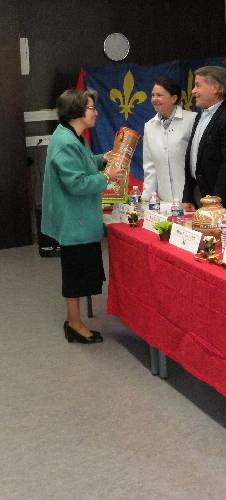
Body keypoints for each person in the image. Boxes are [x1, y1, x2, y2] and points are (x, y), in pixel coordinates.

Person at [41, 89, 124, 344]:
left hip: (78, 218)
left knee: (78, 271)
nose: (96, 112)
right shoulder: (66, 142)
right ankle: (74, 324)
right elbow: (76, 183)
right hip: (73, 220)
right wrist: (107, 177)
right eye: (91, 108)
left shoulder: (73, 136)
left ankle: (75, 321)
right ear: (77, 112)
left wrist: (102, 160)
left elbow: (84, 163)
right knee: (75, 275)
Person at [182, 66, 226, 213]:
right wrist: (187, 196)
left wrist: (215, 203)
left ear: (216, 88)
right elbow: (192, 158)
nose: (193, 91)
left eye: (198, 85)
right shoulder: (200, 116)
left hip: (221, 204)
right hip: (201, 196)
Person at [142, 77, 196, 202]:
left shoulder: (192, 120)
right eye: (153, 95)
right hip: (163, 201)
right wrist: (146, 199)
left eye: (159, 95)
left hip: (190, 200)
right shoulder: (149, 126)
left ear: (174, 98)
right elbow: (150, 167)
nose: (154, 99)